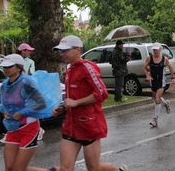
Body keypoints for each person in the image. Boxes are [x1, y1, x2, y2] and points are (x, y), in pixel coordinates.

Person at [28, 35, 128, 171]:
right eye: (60, 51)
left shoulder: (87, 68)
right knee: (65, 169)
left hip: (90, 125)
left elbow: (102, 93)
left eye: (65, 51)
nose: (62, 54)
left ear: (78, 49)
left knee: (93, 168)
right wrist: (62, 107)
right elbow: (73, 97)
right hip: (71, 125)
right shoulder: (70, 70)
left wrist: (76, 102)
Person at [0, 54, 46, 171]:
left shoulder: (26, 83)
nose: (6, 69)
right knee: (9, 167)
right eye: (4, 67)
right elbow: (2, 104)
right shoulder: (4, 85)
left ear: (19, 67)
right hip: (12, 129)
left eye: (9, 66)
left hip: (28, 128)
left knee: (18, 169)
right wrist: (4, 111)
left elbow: (42, 103)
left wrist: (22, 112)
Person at [142, 42, 175, 127]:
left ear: (160, 49)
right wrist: (147, 75)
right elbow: (144, 67)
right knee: (157, 98)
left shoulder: (165, 59)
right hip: (153, 80)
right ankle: (166, 103)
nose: (155, 51)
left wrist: (172, 77)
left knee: (157, 99)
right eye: (154, 50)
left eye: (156, 50)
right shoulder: (149, 58)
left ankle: (155, 119)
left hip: (162, 81)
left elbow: (170, 67)